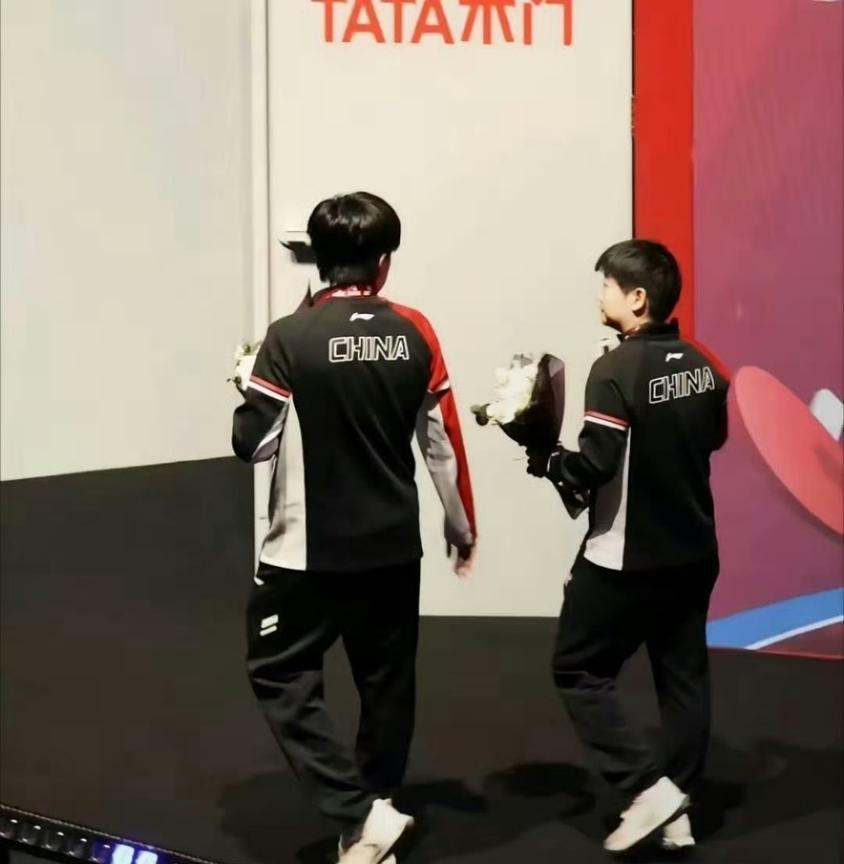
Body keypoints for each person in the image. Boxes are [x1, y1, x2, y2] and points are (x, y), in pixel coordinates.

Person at [232, 191, 477, 864]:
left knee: (279, 672)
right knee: (386, 685)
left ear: (319, 258)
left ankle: (358, 814)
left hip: (306, 551)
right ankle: (372, 823)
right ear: (384, 262)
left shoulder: (290, 336)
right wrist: (461, 525)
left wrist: (247, 387)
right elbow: (442, 441)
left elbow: (252, 445)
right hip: (393, 546)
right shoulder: (416, 331)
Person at [527, 239, 729, 853]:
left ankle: (646, 789)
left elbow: (595, 465)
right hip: (694, 549)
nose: (600, 295)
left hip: (625, 557)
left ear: (637, 298)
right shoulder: (705, 364)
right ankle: (679, 808)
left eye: (607, 286)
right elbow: (714, 439)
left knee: (577, 669)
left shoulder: (615, 370)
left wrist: (548, 459)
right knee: (683, 678)